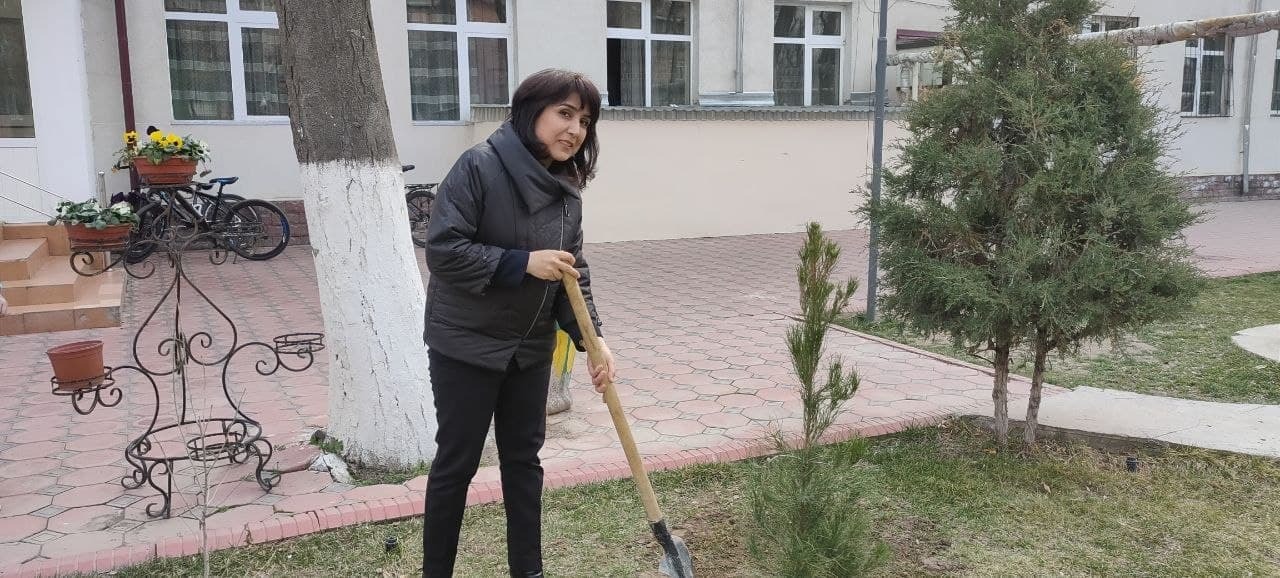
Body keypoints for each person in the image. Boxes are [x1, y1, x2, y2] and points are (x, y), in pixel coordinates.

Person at [421, 68, 616, 578]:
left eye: (585, 121)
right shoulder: (479, 166)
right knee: (457, 463)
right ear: (531, 112)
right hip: (466, 344)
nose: (575, 130)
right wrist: (522, 263)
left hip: (528, 349)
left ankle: (528, 572)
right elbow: (444, 251)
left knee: (524, 464)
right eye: (564, 114)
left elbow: (573, 272)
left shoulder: (566, 188)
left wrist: (593, 340)